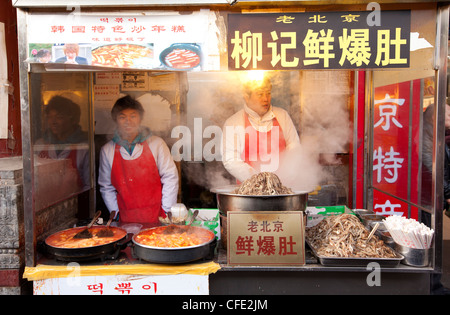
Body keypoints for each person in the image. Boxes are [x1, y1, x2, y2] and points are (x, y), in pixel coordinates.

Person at [98, 95, 178, 225]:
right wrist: (116, 213)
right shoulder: (107, 150)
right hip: (124, 218)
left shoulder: (157, 144)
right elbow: (106, 186)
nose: (128, 121)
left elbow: (170, 177)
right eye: (122, 117)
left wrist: (166, 210)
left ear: (140, 119)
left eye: (133, 116)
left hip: (156, 215)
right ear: (116, 120)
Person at [221, 75, 300, 183]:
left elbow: (294, 149)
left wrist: (283, 179)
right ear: (246, 96)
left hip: (282, 187)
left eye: (268, 93)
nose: (265, 99)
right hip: (249, 191)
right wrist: (258, 181)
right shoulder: (233, 122)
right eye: (259, 94)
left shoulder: (282, 116)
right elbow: (231, 160)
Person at [35, 95, 90, 191]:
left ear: (73, 120)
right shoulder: (40, 145)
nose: (53, 122)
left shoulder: (83, 148)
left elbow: (88, 185)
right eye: (50, 117)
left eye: (59, 117)